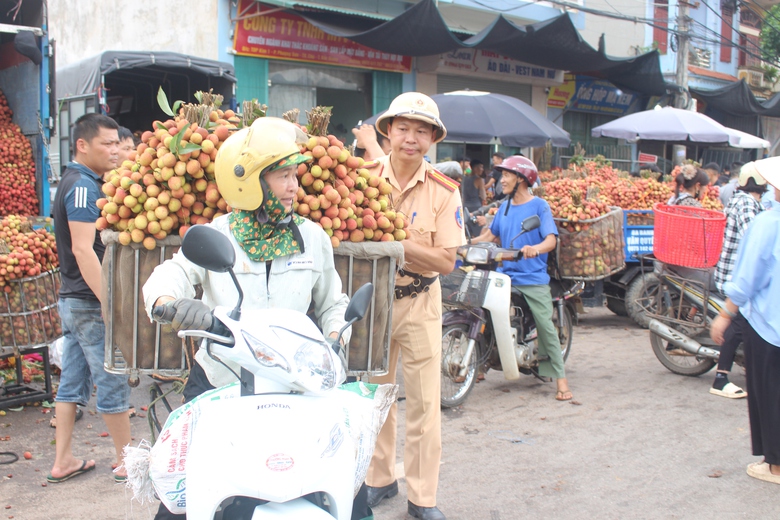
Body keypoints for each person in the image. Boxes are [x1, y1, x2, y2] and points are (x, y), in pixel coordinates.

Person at [142, 117, 368, 519]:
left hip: (294, 381)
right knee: (182, 495)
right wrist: (168, 303)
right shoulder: (219, 233)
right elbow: (172, 274)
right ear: (249, 182)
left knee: (348, 480)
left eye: (294, 175)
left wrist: (335, 334)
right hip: (222, 377)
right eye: (282, 176)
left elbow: (334, 300)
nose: (293, 186)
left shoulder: (312, 237)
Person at [363, 92, 464, 520]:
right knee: (375, 398)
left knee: (424, 404)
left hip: (421, 302)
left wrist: (393, 244)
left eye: (421, 130)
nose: (410, 137)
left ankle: (423, 498)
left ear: (432, 139)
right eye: (403, 128)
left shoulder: (444, 191)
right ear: (387, 132)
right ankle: (379, 478)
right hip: (374, 302)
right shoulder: (361, 178)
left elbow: (445, 260)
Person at [48, 113, 131, 484]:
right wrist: (109, 301)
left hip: (73, 299)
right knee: (111, 377)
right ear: (82, 145)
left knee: (73, 382)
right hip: (88, 301)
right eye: (107, 144)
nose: (115, 150)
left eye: (118, 143)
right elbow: (84, 250)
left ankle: (62, 460)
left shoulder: (80, 181)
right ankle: (126, 461)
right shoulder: (82, 187)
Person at [473, 156, 573, 402]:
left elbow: (551, 239)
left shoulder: (539, 206)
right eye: (502, 175)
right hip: (505, 275)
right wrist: (465, 243)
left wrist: (535, 249)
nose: (501, 179)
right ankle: (480, 364)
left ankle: (561, 379)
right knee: (481, 310)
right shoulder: (504, 206)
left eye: (507, 175)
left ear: (521, 179)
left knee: (545, 323)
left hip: (532, 277)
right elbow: (491, 235)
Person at [711, 155, 780, 486]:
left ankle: (776, 467)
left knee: (769, 393)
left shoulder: (767, 223)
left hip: (768, 323)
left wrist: (724, 316)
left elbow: (747, 279)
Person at [710, 162, 767, 399]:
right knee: (740, 323)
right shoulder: (745, 203)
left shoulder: (746, 201)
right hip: (736, 276)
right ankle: (720, 378)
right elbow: (753, 238)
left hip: (735, 272)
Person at [462, 159, 486, 238]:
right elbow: (483, 196)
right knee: (477, 234)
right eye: (480, 167)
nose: (482, 169)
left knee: (466, 233)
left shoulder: (464, 179)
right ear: (475, 168)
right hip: (476, 208)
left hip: (465, 207)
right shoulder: (479, 180)